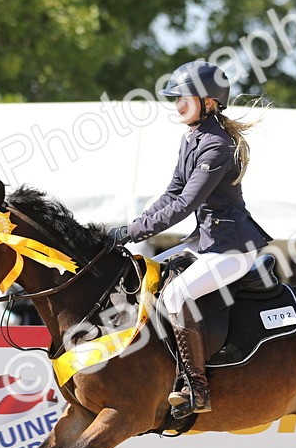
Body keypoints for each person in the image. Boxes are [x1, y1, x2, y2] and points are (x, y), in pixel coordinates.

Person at [108, 60, 272, 418]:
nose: (177, 104)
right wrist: (132, 227)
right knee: (150, 273)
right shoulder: (192, 138)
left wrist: (132, 233)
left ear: (209, 102)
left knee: (176, 294)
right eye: (175, 98)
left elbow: (185, 205)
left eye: (183, 98)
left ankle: (197, 388)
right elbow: (171, 193)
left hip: (232, 247)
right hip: (206, 241)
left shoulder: (217, 145)